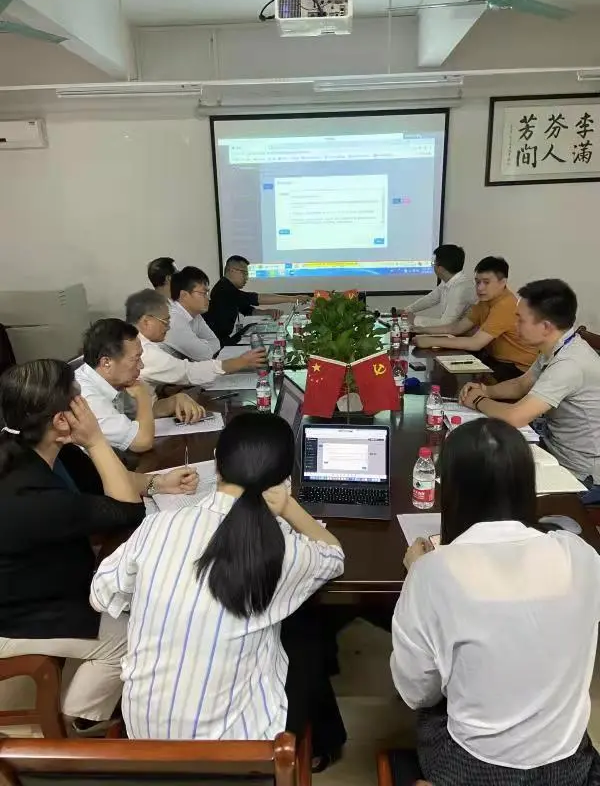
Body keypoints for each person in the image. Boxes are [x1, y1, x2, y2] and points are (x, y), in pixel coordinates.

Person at [91, 412, 346, 768]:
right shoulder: (283, 550)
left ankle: (324, 742)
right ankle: (319, 746)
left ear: (216, 462)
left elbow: (101, 594)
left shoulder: (158, 526)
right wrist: (288, 507)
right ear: (284, 479)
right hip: (237, 754)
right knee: (306, 633)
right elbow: (333, 555)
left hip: (144, 737)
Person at [391, 418, 600, 785]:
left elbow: (416, 692)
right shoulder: (581, 555)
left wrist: (416, 575)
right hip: (569, 764)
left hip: (473, 767)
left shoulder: (433, 573)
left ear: (451, 489)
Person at [0, 360, 198, 735]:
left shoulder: (47, 451)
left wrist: (158, 483)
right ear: (62, 420)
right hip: (18, 612)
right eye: (79, 401)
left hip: (42, 584)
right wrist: (95, 440)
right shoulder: (29, 493)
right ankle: (78, 723)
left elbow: (111, 484)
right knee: (130, 632)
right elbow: (126, 511)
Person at [460, 279, 600, 488]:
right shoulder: (558, 347)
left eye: (520, 319)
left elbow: (516, 417)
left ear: (545, 327)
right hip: (551, 447)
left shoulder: (569, 363)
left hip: (579, 473)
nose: (515, 325)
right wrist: (486, 390)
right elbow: (521, 384)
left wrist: (478, 400)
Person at [76, 319, 205, 453]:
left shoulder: (110, 379)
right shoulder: (86, 396)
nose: (141, 365)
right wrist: (142, 395)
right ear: (106, 363)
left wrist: (174, 401)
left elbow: (140, 416)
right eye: (136, 358)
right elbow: (142, 441)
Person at [414, 256, 537, 380]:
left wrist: (430, 341)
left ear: (503, 282)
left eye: (486, 282)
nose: (480, 288)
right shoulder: (485, 301)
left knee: (469, 383)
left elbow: (476, 343)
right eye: (478, 282)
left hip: (517, 368)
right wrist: (420, 330)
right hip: (494, 358)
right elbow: (457, 328)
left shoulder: (505, 305)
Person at [125, 290, 266, 391]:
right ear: (146, 322)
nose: (168, 327)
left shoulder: (139, 343)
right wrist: (241, 361)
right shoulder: (144, 352)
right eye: (165, 322)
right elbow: (189, 372)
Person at [204, 255, 309, 346]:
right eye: (244, 273)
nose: (247, 278)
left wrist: (266, 312)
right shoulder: (224, 289)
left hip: (223, 339)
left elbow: (248, 310)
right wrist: (291, 298)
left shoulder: (229, 289)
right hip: (218, 343)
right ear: (232, 270)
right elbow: (256, 298)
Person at [405, 245, 476, 328]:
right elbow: (431, 299)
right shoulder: (448, 281)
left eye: (434, 264)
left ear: (440, 268)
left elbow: (447, 323)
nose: (433, 266)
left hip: (466, 333)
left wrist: (414, 320)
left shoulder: (461, 288)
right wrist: (407, 310)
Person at [162, 266, 221, 361]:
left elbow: (215, 342)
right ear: (184, 295)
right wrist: (200, 346)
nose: (208, 298)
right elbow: (204, 355)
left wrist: (200, 346)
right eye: (203, 293)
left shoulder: (195, 314)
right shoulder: (173, 319)